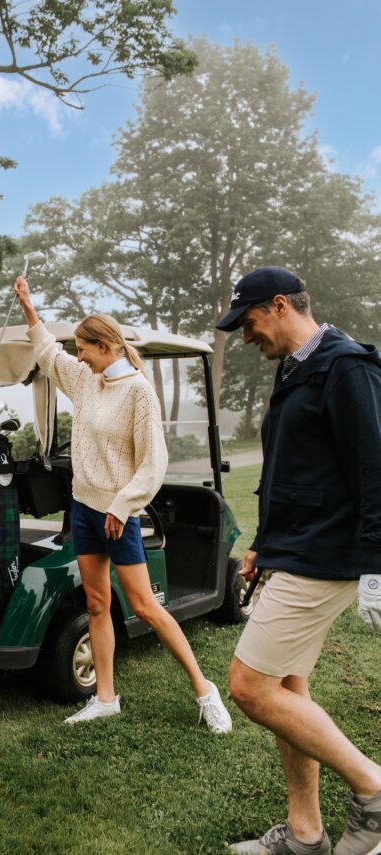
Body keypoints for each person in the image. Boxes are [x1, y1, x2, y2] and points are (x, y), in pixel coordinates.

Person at [14, 275, 232, 733]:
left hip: (118, 517)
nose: (77, 355)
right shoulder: (85, 380)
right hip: (84, 511)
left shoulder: (138, 393)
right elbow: (49, 355)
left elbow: (154, 461)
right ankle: (106, 697)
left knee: (147, 608)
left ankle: (205, 690)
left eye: (84, 348)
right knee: (96, 603)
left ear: (106, 345)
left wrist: (123, 505)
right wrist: (29, 308)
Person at [215, 266, 381, 855]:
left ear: (280, 305)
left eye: (249, 322)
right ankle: (306, 836)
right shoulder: (297, 368)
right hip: (295, 547)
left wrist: (376, 566)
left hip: (324, 554)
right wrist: (265, 542)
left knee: (250, 687)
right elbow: (295, 470)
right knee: (287, 684)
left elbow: (373, 469)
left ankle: (373, 790)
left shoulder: (346, 367)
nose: (245, 336)